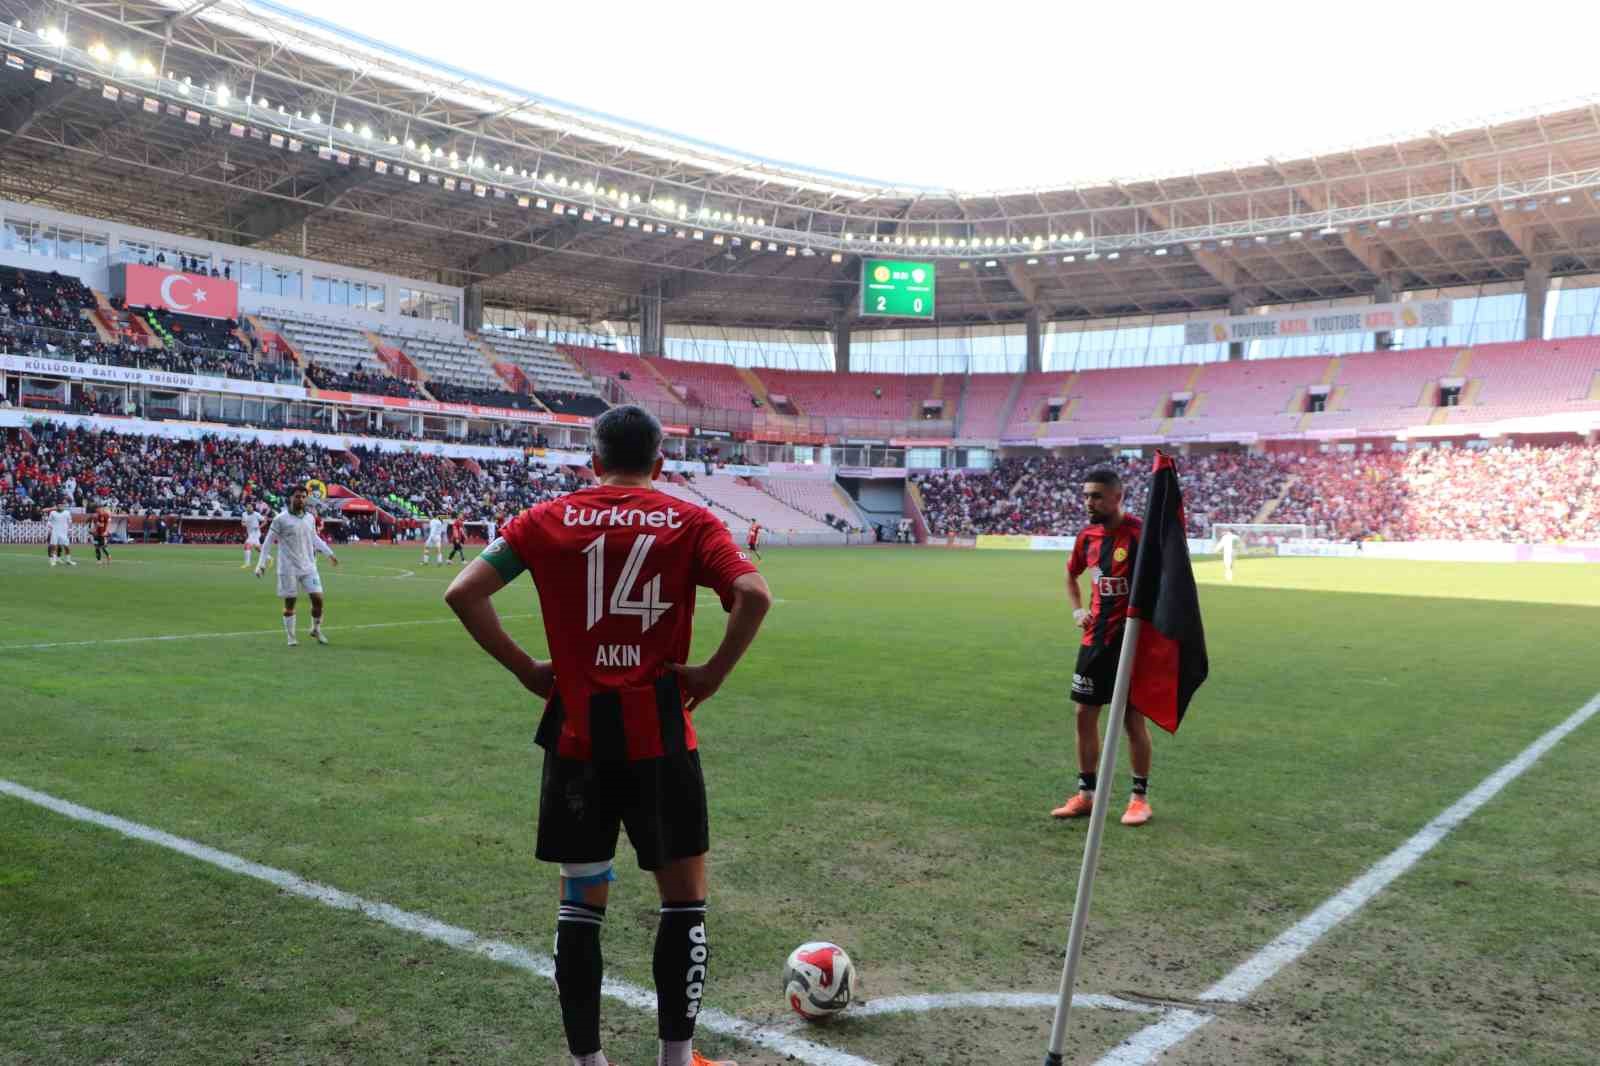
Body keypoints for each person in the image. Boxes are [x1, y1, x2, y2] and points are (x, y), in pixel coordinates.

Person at [443, 405, 772, 1066]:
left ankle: (587, 1063)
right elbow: (753, 594)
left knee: (580, 904)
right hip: (660, 741)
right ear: (659, 464)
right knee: (683, 907)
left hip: (577, 741)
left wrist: (528, 671)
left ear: (592, 463)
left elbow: (463, 592)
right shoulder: (689, 520)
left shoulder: (545, 519)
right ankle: (675, 1061)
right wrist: (710, 673)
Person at [1053, 468, 1153, 827]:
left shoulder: (1140, 534)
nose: (1088, 503)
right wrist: (1078, 608)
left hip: (1130, 643)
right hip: (1094, 641)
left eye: (1096, 496)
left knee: (1131, 719)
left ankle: (1139, 799)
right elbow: (1070, 574)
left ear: (1117, 497)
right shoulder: (1087, 537)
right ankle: (1086, 795)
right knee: (1083, 714)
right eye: (1085, 496)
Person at [255, 487, 339, 647]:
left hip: (309, 566)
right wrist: (261, 564)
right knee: (290, 604)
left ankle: (316, 629)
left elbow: (314, 537)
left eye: (303, 497)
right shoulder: (280, 519)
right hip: (288, 568)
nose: (300, 499)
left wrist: (329, 553)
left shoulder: (310, 518)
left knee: (318, 599)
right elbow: (267, 544)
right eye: (297, 496)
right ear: (290, 498)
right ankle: (291, 636)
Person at [47, 502, 77, 567]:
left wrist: (69, 530)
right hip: (55, 531)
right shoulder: (52, 513)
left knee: (67, 547)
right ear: (56, 506)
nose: (60, 507)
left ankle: (68, 560)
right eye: (58, 506)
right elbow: (49, 521)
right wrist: (50, 525)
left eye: (61, 506)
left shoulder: (67, 513)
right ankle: (54, 561)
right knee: (54, 546)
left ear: (63, 506)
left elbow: (70, 521)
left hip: (64, 532)